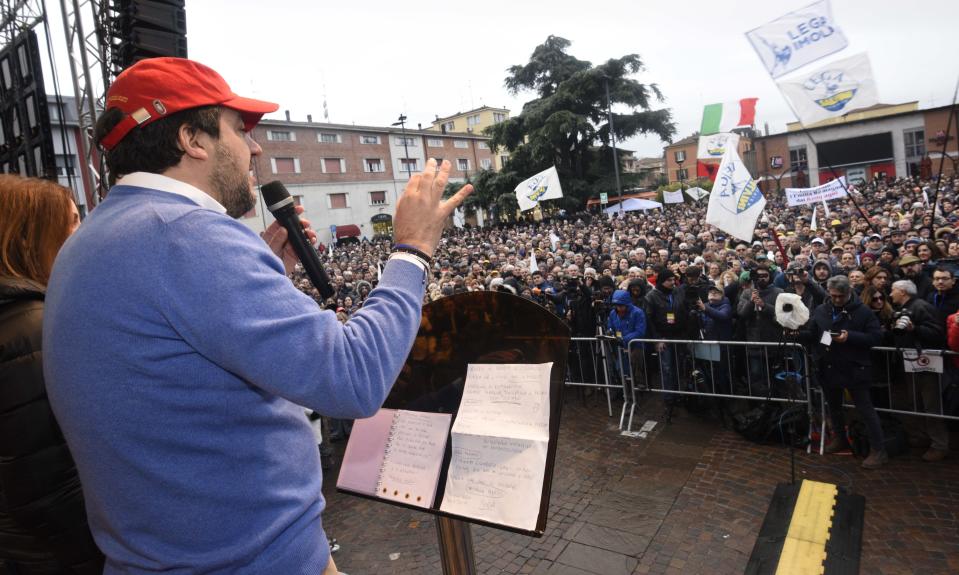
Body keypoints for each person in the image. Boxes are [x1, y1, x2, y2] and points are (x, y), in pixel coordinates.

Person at [42, 58, 471, 575]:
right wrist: (412, 251)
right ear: (192, 140)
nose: (256, 146)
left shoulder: (89, 241)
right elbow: (355, 379)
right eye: (240, 128)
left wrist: (268, 274)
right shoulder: (187, 235)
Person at [0, 175, 104, 573]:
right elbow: (47, 485)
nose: (83, 234)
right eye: (73, 222)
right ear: (29, 238)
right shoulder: (32, 329)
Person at [800, 276, 887, 469]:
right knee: (834, 407)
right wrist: (795, 334)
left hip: (854, 367)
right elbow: (815, 335)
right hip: (829, 366)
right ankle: (840, 438)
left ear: (849, 293)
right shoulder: (822, 310)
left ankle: (878, 449)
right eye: (833, 296)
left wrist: (850, 337)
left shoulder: (863, 312)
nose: (837, 300)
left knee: (865, 409)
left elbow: (876, 337)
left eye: (841, 296)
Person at [889, 280, 949, 462]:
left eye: (893, 290)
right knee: (916, 402)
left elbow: (938, 333)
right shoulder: (904, 308)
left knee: (931, 404)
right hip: (910, 362)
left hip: (926, 363)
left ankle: (940, 445)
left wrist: (915, 329)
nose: (890, 294)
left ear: (903, 292)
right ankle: (923, 437)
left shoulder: (921, 307)